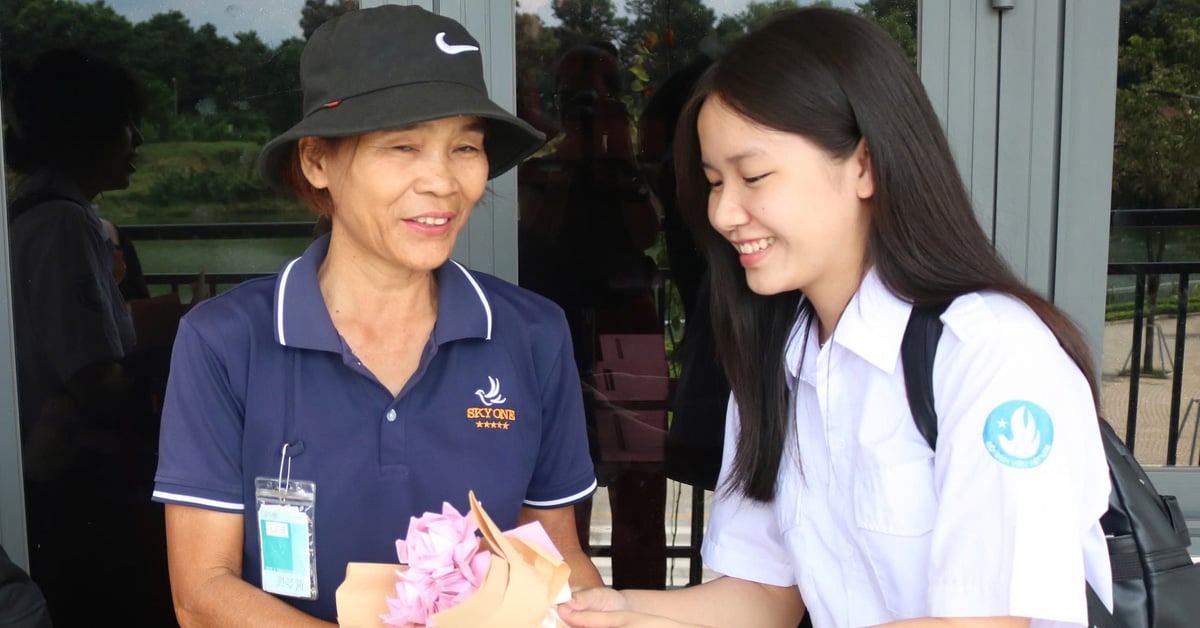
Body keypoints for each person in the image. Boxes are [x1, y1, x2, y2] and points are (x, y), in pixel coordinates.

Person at [560, 7, 1111, 628]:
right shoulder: (776, 359)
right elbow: (765, 596)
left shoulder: (992, 354)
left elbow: (984, 621)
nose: (724, 213)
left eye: (754, 176)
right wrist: (620, 610)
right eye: (715, 182)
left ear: (865, 165)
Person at [151, 5, 603, 625]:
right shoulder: (226, 341)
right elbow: (202, 591)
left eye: (465, 146)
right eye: (402, 146)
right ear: (316, 161)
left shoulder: (531, 333)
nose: (442, 181)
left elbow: (553, 552)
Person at [3, 47, 177, 626]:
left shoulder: (31, 213)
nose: (138, 140)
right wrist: (181, 348)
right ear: (89, 131)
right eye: (128, 123)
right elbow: (96, 382)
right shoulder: (65, 223)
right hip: (71, 486)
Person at [518, 41, 669, 590]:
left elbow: (648, 235)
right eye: (575, 94)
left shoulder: (628, 167)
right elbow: (535, 232)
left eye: (601, 91)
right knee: (557, 489)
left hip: (626, 323)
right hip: (550, 334)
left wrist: (616, 154)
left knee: (641, 484)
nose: (587, 103)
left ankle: (643, 608)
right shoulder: (537, 172)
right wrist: (567, 157)